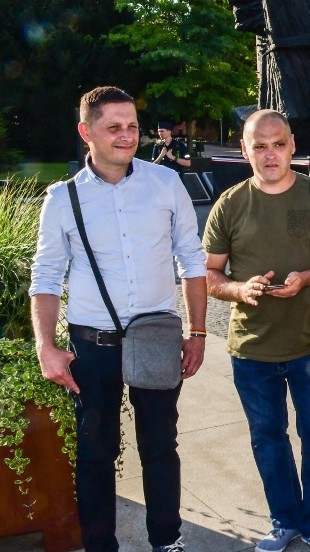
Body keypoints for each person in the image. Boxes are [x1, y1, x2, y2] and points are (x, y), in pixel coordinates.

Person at [29, 86, 207, 552]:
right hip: (92, 345)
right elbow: (45, 277)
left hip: (155, 338)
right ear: (86, 132)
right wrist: (46, 346)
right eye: (114, 127)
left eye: (132, 126)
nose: (127, 136)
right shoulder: (62, 198)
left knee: (160, 448)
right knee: (94, 453)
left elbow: (192, 260)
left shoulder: (165, 184)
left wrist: (199, 332)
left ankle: (167, 540)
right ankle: (99, 545)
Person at [202, 109, 310, 552]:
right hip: (252, 349)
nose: (269, 154)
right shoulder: (230, 204)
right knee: (268, 440)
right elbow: (208, 275)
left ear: (292, 145)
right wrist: (239, 289)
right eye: (258, 146)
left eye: (277, 144)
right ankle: (284, 519)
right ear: (244, 150)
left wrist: (305, 276)